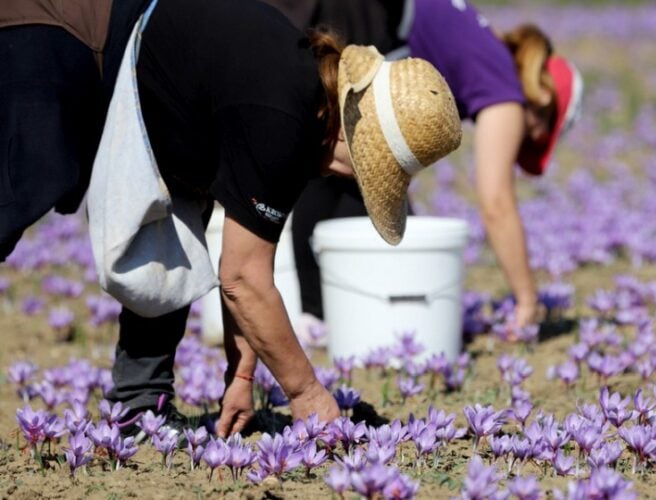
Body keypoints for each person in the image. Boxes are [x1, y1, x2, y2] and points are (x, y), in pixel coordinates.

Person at [0, 0, 461, 437]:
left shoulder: (305, 101)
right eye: (363, 163)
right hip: (62, 26)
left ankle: (139, 406)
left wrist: (240, 375)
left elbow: (246, 256)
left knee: (176, 223)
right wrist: (305, 392)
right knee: (26, 184)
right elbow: (244, 281)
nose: (349, 176)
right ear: (346, 127)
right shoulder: (282, 115)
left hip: (128, 64)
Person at [265, 0, 583, 331]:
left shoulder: (488, 46)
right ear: (544, 100)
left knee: (345, 168)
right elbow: (496, 203)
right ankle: (321, 317)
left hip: (352, 15)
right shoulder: (505, 87)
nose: (526, 139)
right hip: (353, 16)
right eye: (539, 135)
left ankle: (323, 315)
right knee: (330, 153)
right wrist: (528, 300)